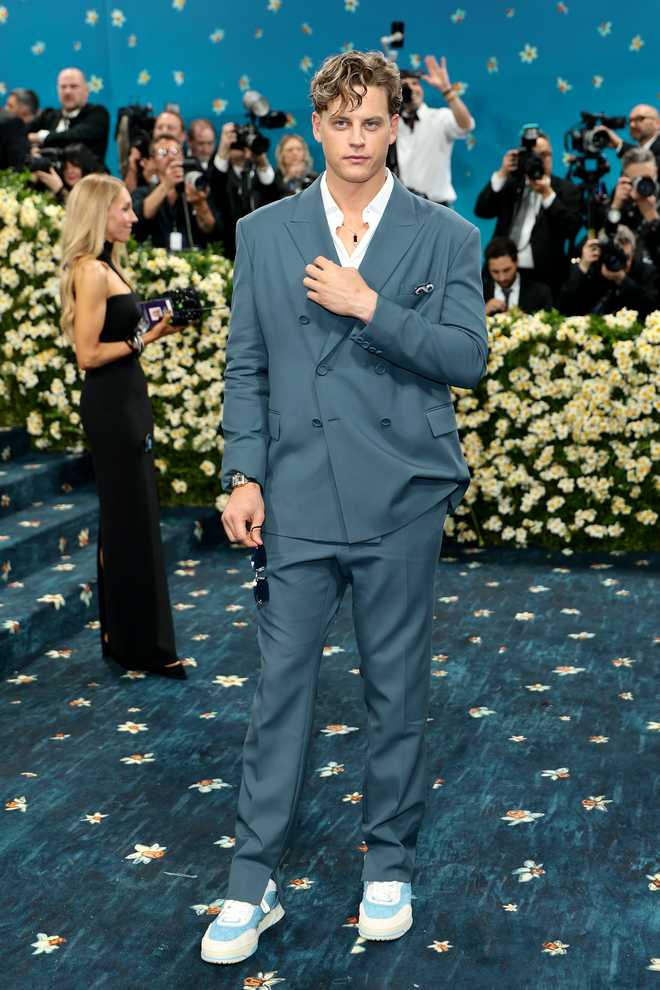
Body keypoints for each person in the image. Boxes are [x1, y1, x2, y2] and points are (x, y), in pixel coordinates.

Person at [200, 49, 487, 965]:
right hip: (294, 497)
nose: (358, 140)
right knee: (278, 692)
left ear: (397, 124)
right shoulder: (265, 233)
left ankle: (388, 862)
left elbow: (466, 358)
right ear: (315, 126)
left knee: (395, 689)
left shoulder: (448, 237)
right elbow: (246, 363)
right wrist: (241, 472)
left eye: (374, 122)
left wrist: (372, 307)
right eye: (341, 123)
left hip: (403, 494)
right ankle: (251, 882)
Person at [59, 173, 186, 678]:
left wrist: (152, 327)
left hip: (124, 398)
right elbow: (87, 354)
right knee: (129, 521)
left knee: (131, 520)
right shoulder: (91, 271)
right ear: (99, 214)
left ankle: (126, 639)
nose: (134, 217)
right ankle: (142, 647)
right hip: (111, 404)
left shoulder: (106, 266)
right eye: (125, 209)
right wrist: (147, 338)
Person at [474, 132, 581, 300]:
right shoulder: (511, 184)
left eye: (545, 155)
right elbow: (482, 210)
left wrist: (547, 195)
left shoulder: (566, 190)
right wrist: (502, 174)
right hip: (503, 272)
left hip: (543, 277)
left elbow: (571, 228)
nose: (540, 160)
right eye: (535, 156)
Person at [393, 58, 475, 207]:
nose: (412, 89)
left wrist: (446, 90)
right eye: (405, 86)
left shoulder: (440, 117)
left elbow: (466, 125)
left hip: (438, 207)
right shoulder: (392, 124)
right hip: (403, 207)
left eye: (415, 84)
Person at [131, 135, 223, 250]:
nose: (170, 157)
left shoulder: (194, 187)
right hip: (155, 261)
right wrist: (166, 184)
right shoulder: (142, 192)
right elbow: (138, 219)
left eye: (175, 152)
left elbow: (212, 230)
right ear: (153, 161)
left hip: (193, 260)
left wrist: (200, 204)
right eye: (163, 153)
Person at [208, 122, 279, 258]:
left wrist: (261, 160)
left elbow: (272, 194)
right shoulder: (222, 173)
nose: (244, 150)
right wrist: (223, 148)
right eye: (239, 146)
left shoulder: (259, 174)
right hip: (228, 247)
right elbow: (215, 186)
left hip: (260, 249)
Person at [558, 226, 658, 318]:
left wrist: (623, 280)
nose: (620, 263)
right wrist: (583, 265)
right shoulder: (596, 270)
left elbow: (652, 310)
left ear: (633, 251)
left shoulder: (646, 272)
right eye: (614, 257)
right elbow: (565, 306)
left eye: (625, 258)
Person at [28, 67, 109, 163]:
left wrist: (41, 137)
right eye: (63, 87)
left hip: (89, 176)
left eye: (73, 86)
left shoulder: (97, 113)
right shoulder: (48, 115)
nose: (67, 92)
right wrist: (32, 149)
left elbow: (75, 136)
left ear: (86, 90)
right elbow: (22, 136)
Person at [483, 237, 553, 314]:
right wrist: (482, 313)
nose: (502, 278)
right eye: (495, 272)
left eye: (507, 270)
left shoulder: (541, 293)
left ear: (516, 262)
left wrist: (526, 321)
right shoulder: (478, 293)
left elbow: (550, 323)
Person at [31, 142, 104, 203]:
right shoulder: (56, 190)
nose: (69, 171)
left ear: (85, 167)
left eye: (75, 166)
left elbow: (81, 213)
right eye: (65, 167)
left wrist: (60, 190)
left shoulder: (95, 192)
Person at [598, 103, 660, 171]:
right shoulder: (631, 160)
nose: (632, 125)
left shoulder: (634, 157)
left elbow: (652, 165)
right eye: (630, 121)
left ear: (657, 123)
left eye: (639, 119)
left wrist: (620, 144)